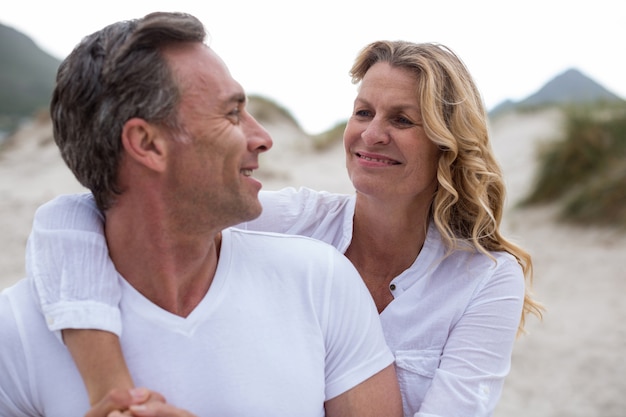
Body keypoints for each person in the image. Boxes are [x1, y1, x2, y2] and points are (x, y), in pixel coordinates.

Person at [24, 40, 544, 417]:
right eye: (363, 111)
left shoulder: (487, 278)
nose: (372, 134)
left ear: (448, 143)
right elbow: (73, 218)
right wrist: (111, 391)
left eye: (403, 120)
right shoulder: (297, 224)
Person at [0, 12, 404, 417]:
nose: (263, 138)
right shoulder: (14, 335)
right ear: (147, 144)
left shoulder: (321, 283)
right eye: (231, 114)